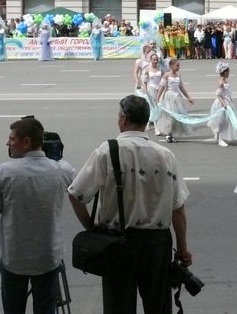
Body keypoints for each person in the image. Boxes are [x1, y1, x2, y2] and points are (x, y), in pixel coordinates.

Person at [68, 95, 192, 314]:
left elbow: (76, 194)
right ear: (146, 121)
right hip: (157, 244)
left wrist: (90, 227)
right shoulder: (166, 155)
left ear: (123, 119)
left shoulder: (107, 151)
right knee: (158, 307)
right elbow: (178, 209)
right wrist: (182, 248)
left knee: (118, 306)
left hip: (117, 243)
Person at [0, 117, 76, 314]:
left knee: (13, 308)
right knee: (46, 307)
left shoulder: (5, 172)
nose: (8, 143)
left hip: (15, 258)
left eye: (11, 138)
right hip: (48, 257)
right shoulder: (62, 169)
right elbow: (80, 193)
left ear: (26, 142)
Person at [156, 58, 195, 143]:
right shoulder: (166, 75)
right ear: (171, 66)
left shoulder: (178, 76)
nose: (178, 67)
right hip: (169, 98)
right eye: (177, 65)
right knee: (170, 117)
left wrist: (188, 97)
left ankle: (171, 134)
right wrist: (157, 98)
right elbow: (161, 87)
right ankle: (168, 134)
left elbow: (181, 87)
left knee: (176, 117)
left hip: (177, 98)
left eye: (179, 65)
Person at [209, 61, 237, 147]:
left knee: (227, 120)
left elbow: (227, 92)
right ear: (224, 72)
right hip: (222, 103)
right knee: (222, 121)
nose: (229, 73)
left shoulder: (225, 81)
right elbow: (218, 95)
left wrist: (230, 101)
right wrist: (224, 104)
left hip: (227, 101)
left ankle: (218, 135)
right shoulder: (221, 82)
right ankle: (220, 138)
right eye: (228, 72)